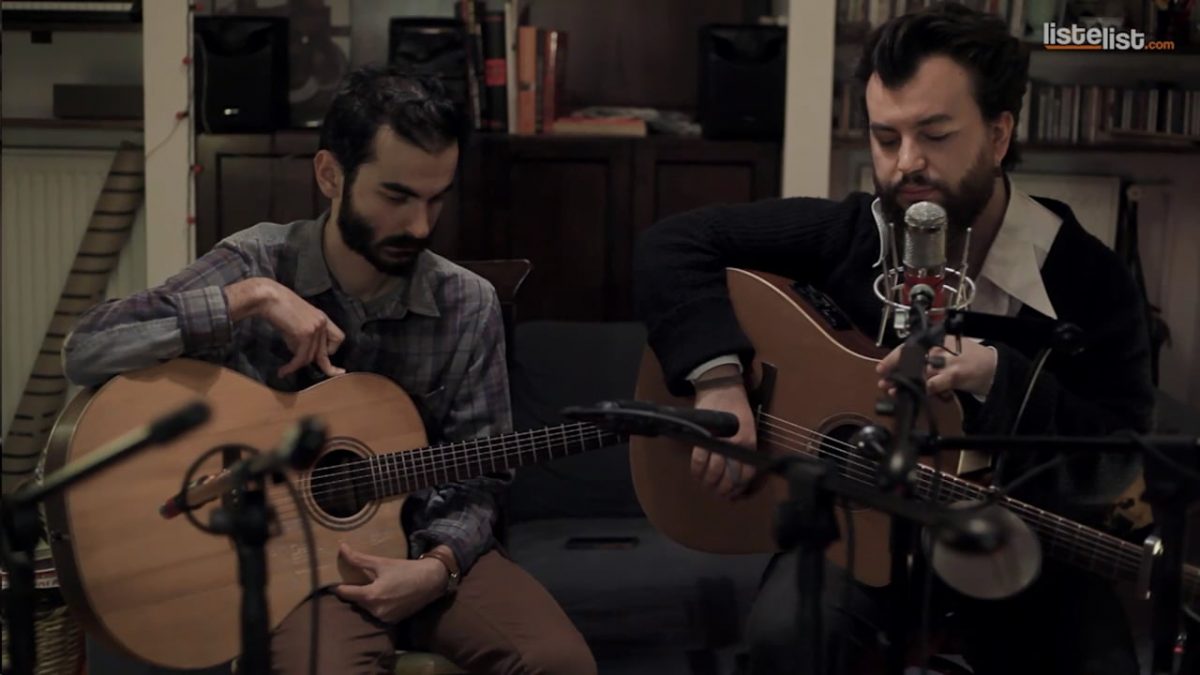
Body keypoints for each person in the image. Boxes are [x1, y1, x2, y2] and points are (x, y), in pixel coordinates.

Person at [633, 3, 1155, 674]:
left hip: (1025, 547)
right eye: (886, 138)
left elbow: (1118, 461)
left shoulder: (1090, 276)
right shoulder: (853, 233)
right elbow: (672, 244)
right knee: (787, 638)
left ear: (999, 135)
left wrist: (1002, 377)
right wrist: (719, 380)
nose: (907, 163)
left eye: (935, 135)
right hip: (857, 530)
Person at [63, 64, 596, 675]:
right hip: (296, 564)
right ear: (330, 175)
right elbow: (87, 348)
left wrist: (438, 565)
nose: (420, 226)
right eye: (395, 197)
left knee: (558, 663)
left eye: (436, 198)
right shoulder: (258, 261)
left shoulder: (467, 303)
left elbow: (481, 475)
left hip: (431, 550)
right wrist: (249, 298)